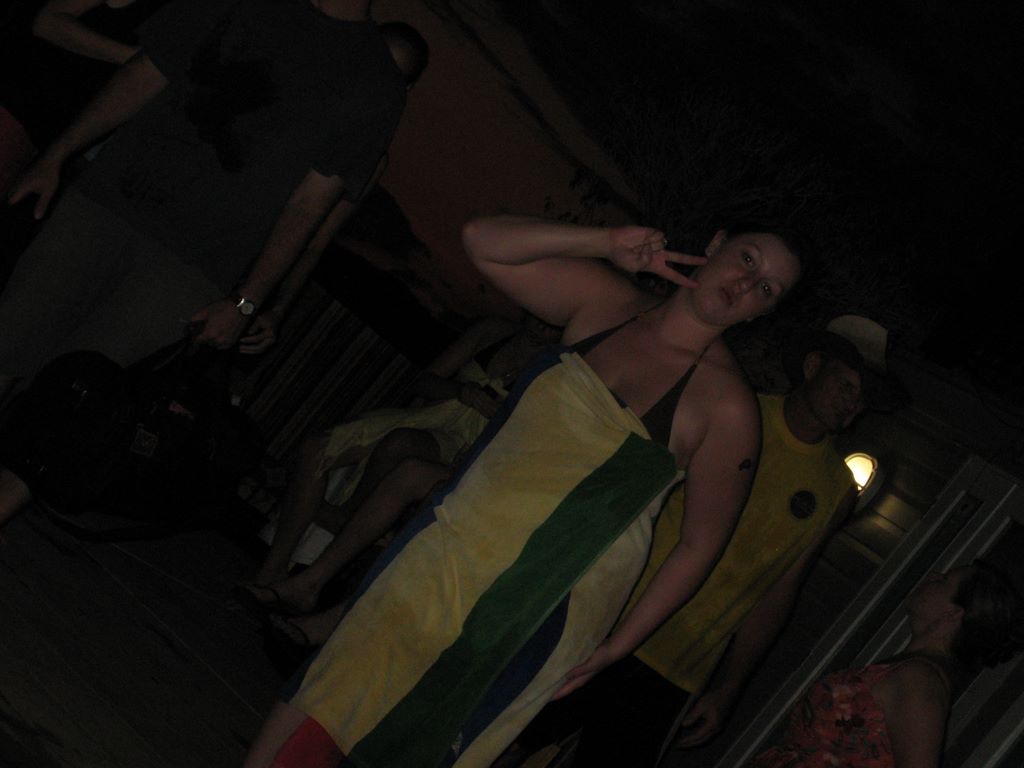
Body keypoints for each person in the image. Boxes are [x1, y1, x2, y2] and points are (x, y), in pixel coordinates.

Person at [243, 213, 804, 768]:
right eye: (746, 259)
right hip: (455, 537)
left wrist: (617, 646)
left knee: (428, 740)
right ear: (716, 242)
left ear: (763, 312)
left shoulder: (728, 408)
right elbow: (481, 240)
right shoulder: (607, 302)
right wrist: (605, 241)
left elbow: (699, 546)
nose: (744, 284)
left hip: (545, 603)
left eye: (766, 289)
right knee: (333, 683)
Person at [0, 1, 424, 529]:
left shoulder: (375, 85)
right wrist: (56, 155)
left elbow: (310, 208)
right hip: (107, 202)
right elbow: (148, 72)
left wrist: (248, 302)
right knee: (12, 334)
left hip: (197, 262)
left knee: (79, 399)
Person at [509, 325, 889, 767]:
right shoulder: (735, 415)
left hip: (679, 666)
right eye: (846, 385)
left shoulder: (836, 487)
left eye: (861, 398)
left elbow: (780, 590)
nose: (851, 403)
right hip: (609, 617)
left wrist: (730, 685)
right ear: (812, 366)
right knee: (506, 739)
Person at [236, 314, 560, 620]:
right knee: (317, 447)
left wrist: (498, 412)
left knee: (402, 443)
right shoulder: (493, 331)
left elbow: (529, 445)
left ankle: (339, 527)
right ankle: (271, 571)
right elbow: (421, 381)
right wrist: (460, 391)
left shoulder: (553, 371)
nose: (542, 327)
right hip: (430, 417)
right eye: (540, 317)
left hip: (468, 445)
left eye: (553, 326)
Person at [749, 563, 1024, 768]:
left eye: (942, 581)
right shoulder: (908, 670)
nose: (931, 577)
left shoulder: (920, 681)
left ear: (953, 614)